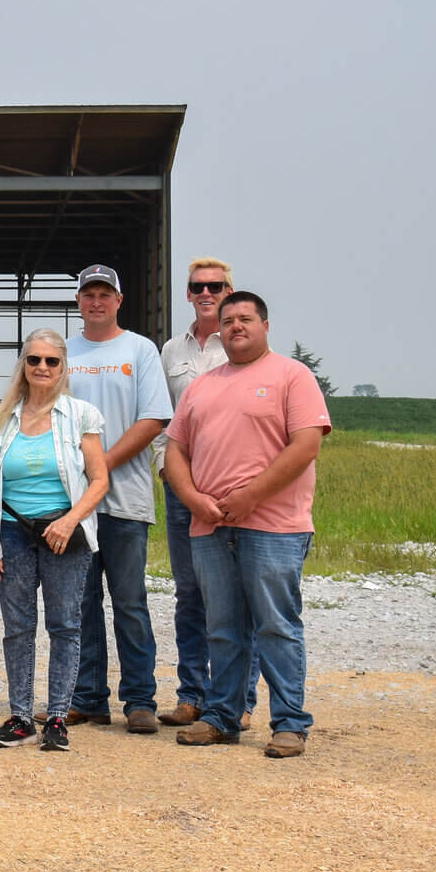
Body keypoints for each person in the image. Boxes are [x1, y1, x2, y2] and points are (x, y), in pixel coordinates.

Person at [167, 291, 330, 759]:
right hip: (210, 525)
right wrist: (194, 499)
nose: (237, 326)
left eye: (246, 319)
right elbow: (175, 449)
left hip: (275, 525)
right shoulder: (202, 384)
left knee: (276, 625)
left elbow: (305, 446)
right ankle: (221, 717)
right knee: (223, 626)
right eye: (229, 320)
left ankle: (289, 723)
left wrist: (250, 496)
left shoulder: (292, 376)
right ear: (217, 330)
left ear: (265, 325)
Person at [0, 330, 109, 753]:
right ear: (24, 365)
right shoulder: (2, 417)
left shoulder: (81, 414)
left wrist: (70, 521)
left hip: (61, 532)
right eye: (34, 360)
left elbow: (100, 479)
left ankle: (56, 716)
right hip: (14, 530)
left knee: (65, 624)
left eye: (51, 361)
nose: (42, 368)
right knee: (18, 627)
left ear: (63, 366)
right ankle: (20, 717)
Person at [64, 263, 172, 734]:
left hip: (125, 500)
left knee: (129, 601)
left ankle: (140, 700)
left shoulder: (140, 350)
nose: (96, 301)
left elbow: (153, 419)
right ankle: (88, 697)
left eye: (105, 293)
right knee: (80, 604)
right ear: (79, 302)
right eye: (89, 294)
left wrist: (100, 466)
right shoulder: (62, 352)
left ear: (118, 300)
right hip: (73, 503)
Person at [156, 257, 260, 730]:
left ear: (229, 291)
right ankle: (192, 694)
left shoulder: (241, 343)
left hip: (235, 488)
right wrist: (167, 470)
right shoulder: (171, 350)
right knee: (190, 593)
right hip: (183, 486)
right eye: (197, 286)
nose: (206, 293)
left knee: (238, 593)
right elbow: (162, 418)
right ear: (188, 293)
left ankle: (238, 697)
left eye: (216, 286)